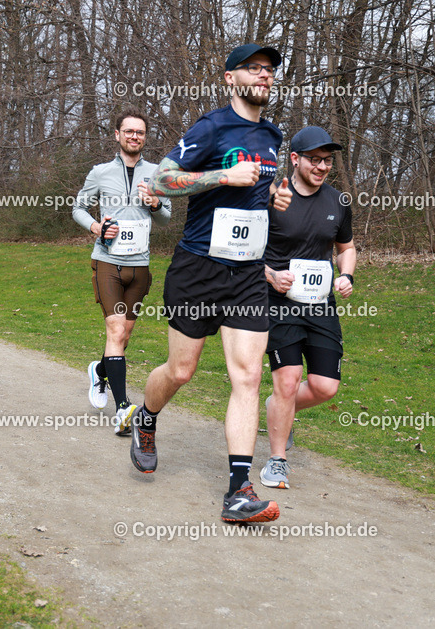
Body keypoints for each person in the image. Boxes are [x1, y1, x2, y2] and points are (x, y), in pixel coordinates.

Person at [133, 43, 293, 524]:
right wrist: (224, 176)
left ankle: (238, 492)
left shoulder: (272, 135)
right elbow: (162, 181)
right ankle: (146, 416)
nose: (264, 76)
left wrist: (273, 197)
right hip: (199, 268)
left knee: (247, 377)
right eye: (254, 68)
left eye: (270, 70)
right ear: (230, 78)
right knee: (181, 371)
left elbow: (256, 193)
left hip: (248, 273)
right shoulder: (211, 127)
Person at [259, 126, 356, 489]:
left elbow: (346, 248)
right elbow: (246, 251)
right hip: (278, 303)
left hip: (320, 305)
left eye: (327, 160)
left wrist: (346, 275)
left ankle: (278, 409)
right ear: (295, 159)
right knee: (288, 380)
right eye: (314, 159)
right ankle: (277, 461)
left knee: (325, 386)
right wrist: (271, 276)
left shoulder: (338, 201)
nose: (322, 167)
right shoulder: (273, 198)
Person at [73, 107, 172, 435]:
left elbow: (166, 218)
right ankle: (123, 408)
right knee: (115, 331)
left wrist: (155, 204)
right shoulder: (100, 172)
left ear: (145, 137)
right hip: (107, 262)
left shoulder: (157, 172)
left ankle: (99, 371)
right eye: (129, 131)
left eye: (139, 132)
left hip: (139, 266)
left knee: (124, 337)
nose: (134, 136)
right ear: (117, 135)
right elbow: (78, 208)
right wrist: (96, 227)